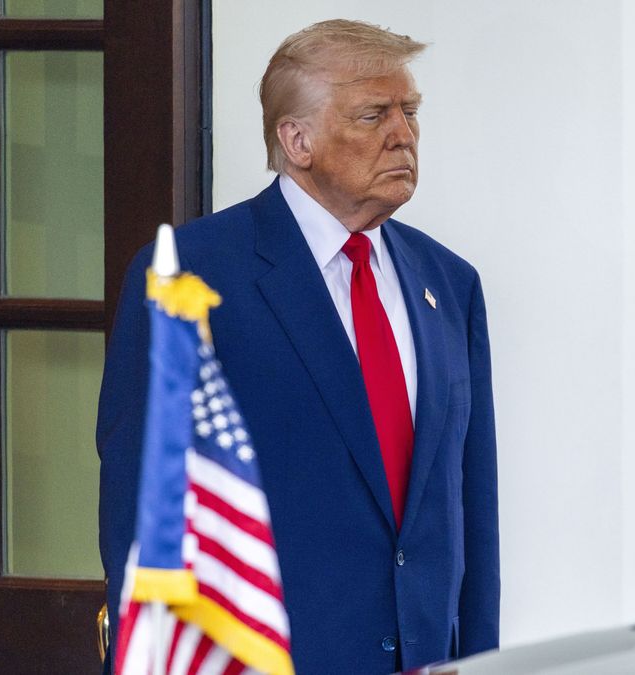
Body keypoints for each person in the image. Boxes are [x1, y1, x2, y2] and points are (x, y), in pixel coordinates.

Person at [97, 19, 499, 673]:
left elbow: (471, 514)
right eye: (374, 114)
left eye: (410, 111)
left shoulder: (448, 283)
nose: (404, 134)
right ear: (298, 139)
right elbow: (143, 511)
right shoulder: (193, 277)